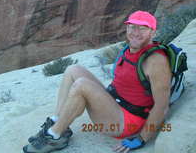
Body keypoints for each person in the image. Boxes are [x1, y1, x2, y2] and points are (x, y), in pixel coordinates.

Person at [23, 10, 172, 153]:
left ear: (153, 32)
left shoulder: (156, 61)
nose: (135, 32)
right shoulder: (130, 48)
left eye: (143, 28)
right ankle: (56, 121)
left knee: (81, 85)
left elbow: (162, 106)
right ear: (127, 28)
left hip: (126, 122)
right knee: (73, 69)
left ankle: (54, 136)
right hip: (114, 102)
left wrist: (142, 138)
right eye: (132, 27)